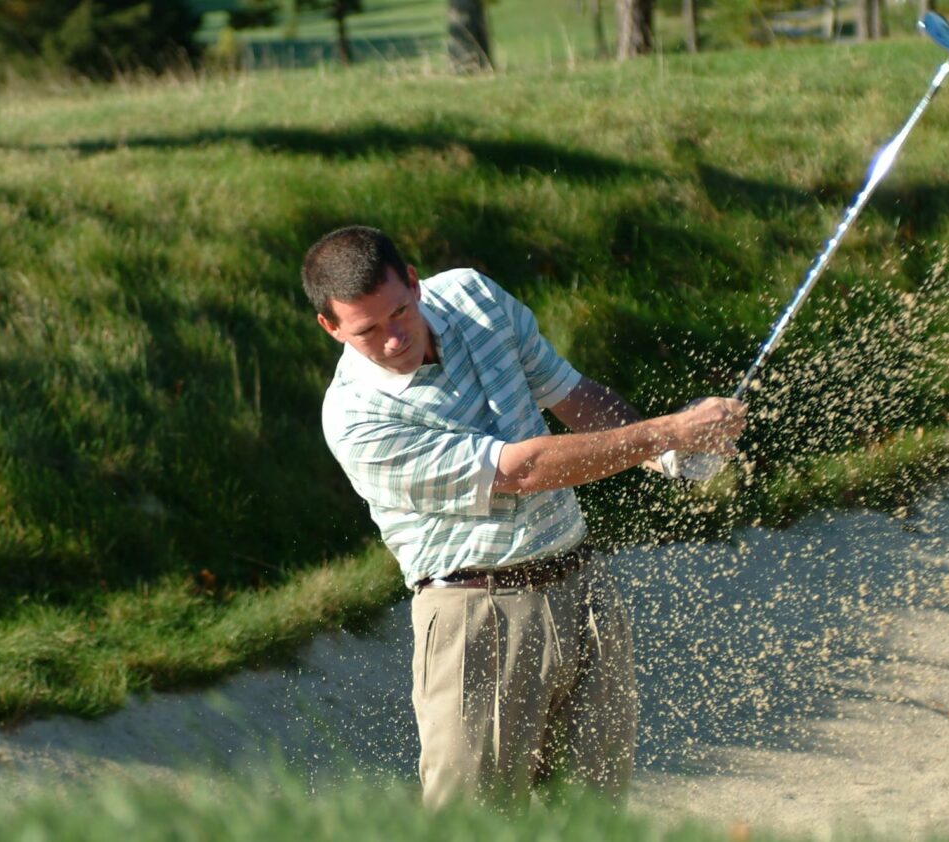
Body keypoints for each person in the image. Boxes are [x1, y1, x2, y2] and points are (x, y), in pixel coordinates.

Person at [302, 226, 746, 807]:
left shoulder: (472, 297)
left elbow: (569, 392)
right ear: (331, 328)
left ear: (414, 282)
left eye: (399, 314)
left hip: (582, 590)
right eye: (367, 331)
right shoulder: (358, 419)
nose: (392, 339)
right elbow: (523, 470)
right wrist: (664, 431)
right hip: (476, 618)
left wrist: (669, 454)